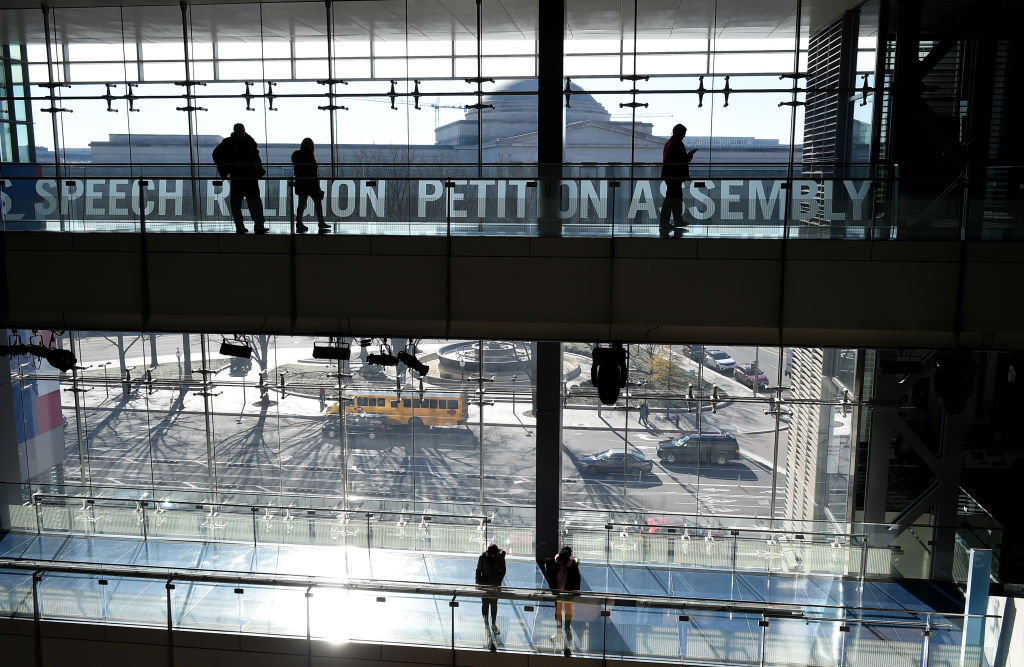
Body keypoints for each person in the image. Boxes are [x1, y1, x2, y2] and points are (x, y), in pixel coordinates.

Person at [212, 123, 268, 234]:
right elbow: (256, 157)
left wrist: (227, 167)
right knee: (254, 202)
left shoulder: (228, 143)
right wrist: (256, 168)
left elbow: (216, 154)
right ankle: (258, 225)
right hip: (250, 177)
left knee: (237, 204)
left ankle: (240, 226)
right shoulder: (250, 142)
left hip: (237, 177)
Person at [658, 123, 698, 238]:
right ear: (679, 132)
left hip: (670, 175)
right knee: (674, 199)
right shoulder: (677, 143)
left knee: (671, 198)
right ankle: (674, 220)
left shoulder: (670, 143)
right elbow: (681, 160)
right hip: (674, 175)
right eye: (683, 133)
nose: (684, 136)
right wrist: (690, 154)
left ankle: (670, 221)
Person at [291, 137, 328, 234]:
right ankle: (321, 222)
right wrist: (317, 187)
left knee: (302, 204)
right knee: (317, 202)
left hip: (302, 184)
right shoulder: (310, 157)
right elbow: (313, 173)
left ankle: (299, 223)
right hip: (311, 184)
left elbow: (298, 171)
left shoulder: (298, 157)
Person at [543, 545, 581, 639]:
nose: (562, 564)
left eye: (564, 562)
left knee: (568, 611)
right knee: (558, 611)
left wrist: (576, 592)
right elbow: (550, 577)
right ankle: (559, 632)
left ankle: (567, 629)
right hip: (558, 593)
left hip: (568, 593)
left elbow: (577, 579)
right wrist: (553, 589)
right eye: (561, 562)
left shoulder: (572, 566)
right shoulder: (554, 563)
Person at [475, 543, 506, 635]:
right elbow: (478, 570)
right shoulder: (482, 558)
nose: (495, 555)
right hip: (484, 585)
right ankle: (486, 625)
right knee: (485, 605)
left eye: (496, 554)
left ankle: (493, 624)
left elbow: (502, 571)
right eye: (493, 554)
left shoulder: (499, 557)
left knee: (494, 605)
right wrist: (478, 583)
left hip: (495, 586)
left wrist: (497, 584)